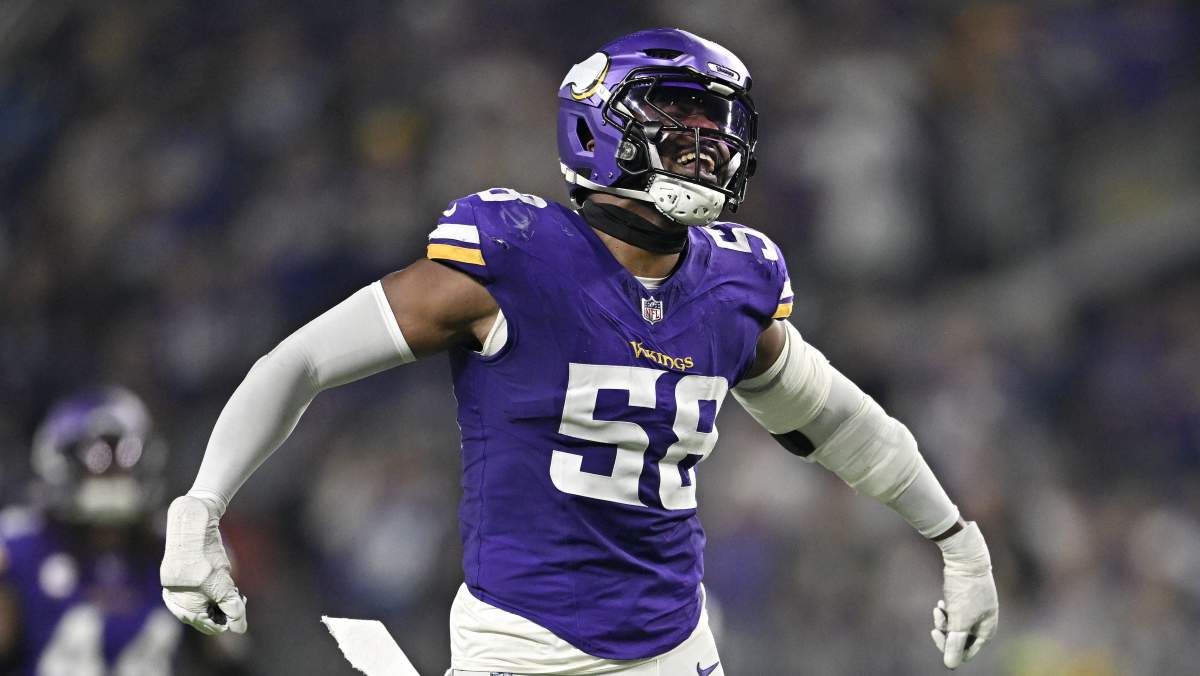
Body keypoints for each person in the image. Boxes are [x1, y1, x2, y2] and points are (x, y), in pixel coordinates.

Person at [159, 28, 998, 674]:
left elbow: (842, 425)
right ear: (600, 123)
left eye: (718, 121)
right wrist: (199, 506)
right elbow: (300, 362)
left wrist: (957, 540)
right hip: (523, 649)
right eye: (680, 113)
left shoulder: (734, 284)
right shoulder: (515, 257)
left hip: (674, 648)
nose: (707, 138)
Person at [0, 386, 249, 676]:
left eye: (127, 454)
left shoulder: (179, 545)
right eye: (95, 457)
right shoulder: (21, 545)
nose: (112, 471)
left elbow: (228, 659)